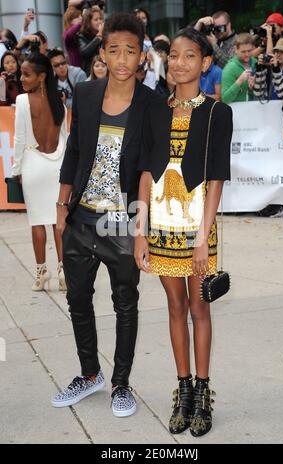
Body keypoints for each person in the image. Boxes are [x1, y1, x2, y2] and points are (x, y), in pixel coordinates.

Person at [52, 12, 156, 418]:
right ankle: (90, 373)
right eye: (114, 50)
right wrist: (62, 207)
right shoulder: (88, 94)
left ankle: (121, 384)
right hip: (81, 217)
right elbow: (74, 151)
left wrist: (141, 229)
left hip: (122, 221)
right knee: (78, 299)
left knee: (125, 302)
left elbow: (149, 169)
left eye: (130, 50)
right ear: (104, 52)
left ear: (141, 55)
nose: (122, 58)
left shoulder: (151, 103)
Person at [134, 28, 232, 437]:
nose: (179, 63)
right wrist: (139, 230)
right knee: (174, 308)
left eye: (189, 56)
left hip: (197, 228)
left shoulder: (216, 112)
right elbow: (144, 171)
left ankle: (204, 391)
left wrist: (202, 238)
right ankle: (184, 389)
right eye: (173, 55)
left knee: (199, 308)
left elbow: (215, 179)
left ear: (205, 63)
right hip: (160, 225)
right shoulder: (154, 109)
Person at [11, 53, 67, 291]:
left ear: (42, 76)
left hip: (33, 166)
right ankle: (64, 272)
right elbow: (65, 139)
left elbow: (20, 138)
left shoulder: (23, 101)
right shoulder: (60, 104)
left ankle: (41, 273)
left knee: (37, 223)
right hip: (57, 167)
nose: (21, 79)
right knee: (58, 223)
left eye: (26, 74)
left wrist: (16, 170)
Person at [253, 37, 283, 101]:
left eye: (282, 52)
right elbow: (258, 93)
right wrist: (260, 69)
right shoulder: (269, 69)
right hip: (268, 109)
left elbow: (281, 95)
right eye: (276, 51)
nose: (278, 55)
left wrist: (276, 70)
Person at [221, 33, 256, 103]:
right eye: (243, 52)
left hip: (253, 110)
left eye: (249, 51)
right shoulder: (230, 68)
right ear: (235, 49)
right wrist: (240, 80)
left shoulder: (255, 63)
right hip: (236, 112)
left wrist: (255, 85)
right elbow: (224, 99)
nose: (247, 54)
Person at [77, 6, 104, 75]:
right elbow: (84, 52)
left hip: (105, 71)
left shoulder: (106, 33)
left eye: (100, 19)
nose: (99, 22)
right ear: (89, 22)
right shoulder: (81, 35)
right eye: (96, 20)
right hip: (90, 73)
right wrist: (98, 37)